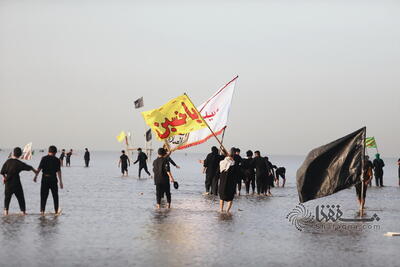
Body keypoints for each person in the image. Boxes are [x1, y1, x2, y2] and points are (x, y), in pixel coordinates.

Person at [1, 147, 38, 215]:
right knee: (20, 198)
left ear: (13, 153)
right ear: (20, 154)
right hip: (16, 183)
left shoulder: (8, 161)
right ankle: (23, 212)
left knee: (7, 198)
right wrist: (35, 171)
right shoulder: (19, 163)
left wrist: (5, 178)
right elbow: (29, 167)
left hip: (8, 183)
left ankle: (6, 212)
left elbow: (2, 171)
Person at [34, 145, 64, 215]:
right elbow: (59, 171)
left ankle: (42, 211)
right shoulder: (57, 160)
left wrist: (35, 176)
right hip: (53, 179)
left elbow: (39, 168)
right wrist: (61, 181)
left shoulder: (44, 158)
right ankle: (56, 211)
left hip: (45, 179)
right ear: (55, 152)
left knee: (43, 196)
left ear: (48, 151)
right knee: (55, 196)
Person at [218, 147, 236, 213]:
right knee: (230, 197)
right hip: (231, 182)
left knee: (222, 197)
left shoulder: (222, 162)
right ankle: (227, 211)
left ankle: (221, 210)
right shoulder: (233, 163)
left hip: (223, 181)